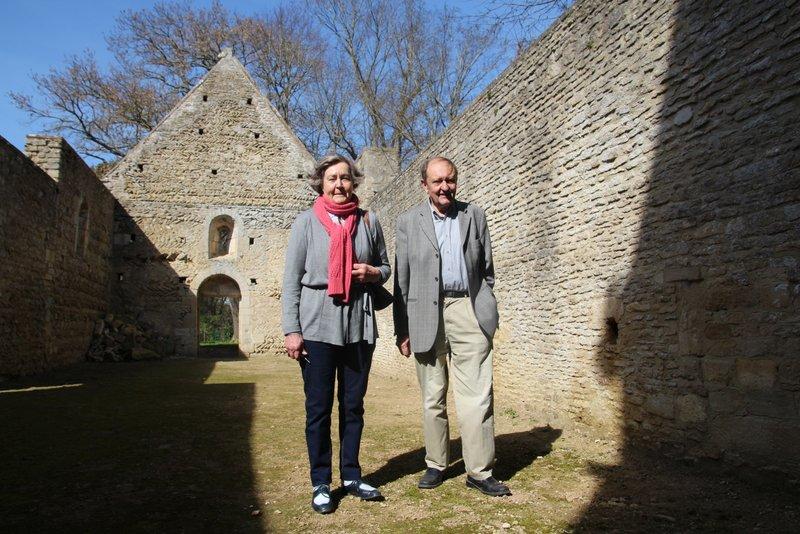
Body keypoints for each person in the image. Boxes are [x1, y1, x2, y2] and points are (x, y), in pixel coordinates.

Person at [393, 156, 510, 497]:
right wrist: (402, 329)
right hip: (424, 314)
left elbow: (487, 269)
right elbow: (402, 280)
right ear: (424, 185)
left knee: (477, 396)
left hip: (468, 309)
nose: (445, 187)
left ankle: (479, 470)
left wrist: (485, 306)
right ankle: (436, 463)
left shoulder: (474, 215)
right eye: (437, 181)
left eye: (450, 180)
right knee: (432, 396)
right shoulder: (407, 222)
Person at [282, 154, 391, 514]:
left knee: (353, 406)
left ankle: (351, 475)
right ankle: (320, 482)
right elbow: (290, 283)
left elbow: (386, 267)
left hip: (359, 325)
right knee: (318, 408)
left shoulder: (369, 221)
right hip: (316, 326)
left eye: (345, 178)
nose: (339, 184)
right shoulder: (304, 224)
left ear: (354, 182)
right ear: (321, 183)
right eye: (332, 179)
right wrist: (292, 330)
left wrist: (373, 273)